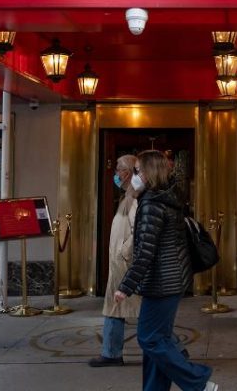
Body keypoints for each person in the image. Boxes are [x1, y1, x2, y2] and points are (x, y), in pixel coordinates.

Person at [115, 150, 219, 391]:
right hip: (171, 280)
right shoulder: (167, 199)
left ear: (149, 173)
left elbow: (146, 252)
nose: (134, 176)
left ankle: (199, 382)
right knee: (157, 340)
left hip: (161, 282)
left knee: (149, 338)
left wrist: (126, 286)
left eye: (137, 171)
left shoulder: (151, 205)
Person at [89, 154, 140, 367]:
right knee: (120, 307)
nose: (116, 173)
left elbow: (138, 230)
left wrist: (124, 252)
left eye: (119, 169)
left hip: (125, 263)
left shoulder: (135, 198)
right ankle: (111, 352)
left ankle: (111, 353)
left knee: (126, 307)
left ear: (128, 172)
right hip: (121, 263)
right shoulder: (128, 196)